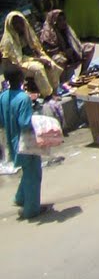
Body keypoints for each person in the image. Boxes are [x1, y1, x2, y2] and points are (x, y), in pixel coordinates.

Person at [0, 62, 44, 219]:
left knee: (27, 171)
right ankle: (31, 210)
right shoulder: (23, 99)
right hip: (25, 142)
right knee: (34, 173)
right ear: (20, 78)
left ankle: (20, 198)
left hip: (11, 141)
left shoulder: (3, 96)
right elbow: (25, 123)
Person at [1, 11, 57, 98]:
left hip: (31, 59)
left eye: (20, 22)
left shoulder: (26, 33)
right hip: (19, 65)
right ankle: (48, 94)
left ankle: (56, 89)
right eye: (15, 23)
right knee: (38, 68)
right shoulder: (8, 41)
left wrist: (42, 57)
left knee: (51, 64)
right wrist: (38, 60)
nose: (18, 25)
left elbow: (35, 47)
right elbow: (18, 59)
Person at [38, 7, 93, 85]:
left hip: (72, 54)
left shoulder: (67, 29)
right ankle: (62, 83)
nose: (63, 22)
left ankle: (82, 73)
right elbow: (48, 52)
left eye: (64, 19)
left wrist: (75, 50)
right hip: (57, 57)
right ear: (54, 21)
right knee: (60, 59)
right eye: (60, 20)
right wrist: (64, 53)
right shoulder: (48, 34)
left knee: (89, 47)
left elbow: (76, 44)